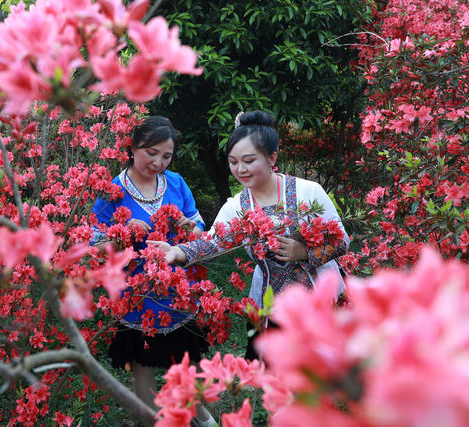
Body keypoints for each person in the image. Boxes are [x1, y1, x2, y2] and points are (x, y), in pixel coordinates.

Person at [149, 111, 349, 360]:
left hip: (320, 296)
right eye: (233, 162)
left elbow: (342, 240)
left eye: (248, 160)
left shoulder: (308, 192)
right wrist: (177, 251)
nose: (239, 169)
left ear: (271, 158)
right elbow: (213, 243)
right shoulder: (237, 207)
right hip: (270, 303)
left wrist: (304, 252)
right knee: (273, 376)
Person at [91, 116, 215, 426]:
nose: (158, 162)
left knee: (187, 361)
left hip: (178, 289)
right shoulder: (112, 191)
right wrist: (121, 233)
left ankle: (201, 417)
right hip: (136, 295)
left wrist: (191, 227)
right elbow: (95, 245)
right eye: (151, 152)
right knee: (143, 366)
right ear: (132, 147)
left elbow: (197, 223)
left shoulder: (176, 182)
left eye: (166, 155)